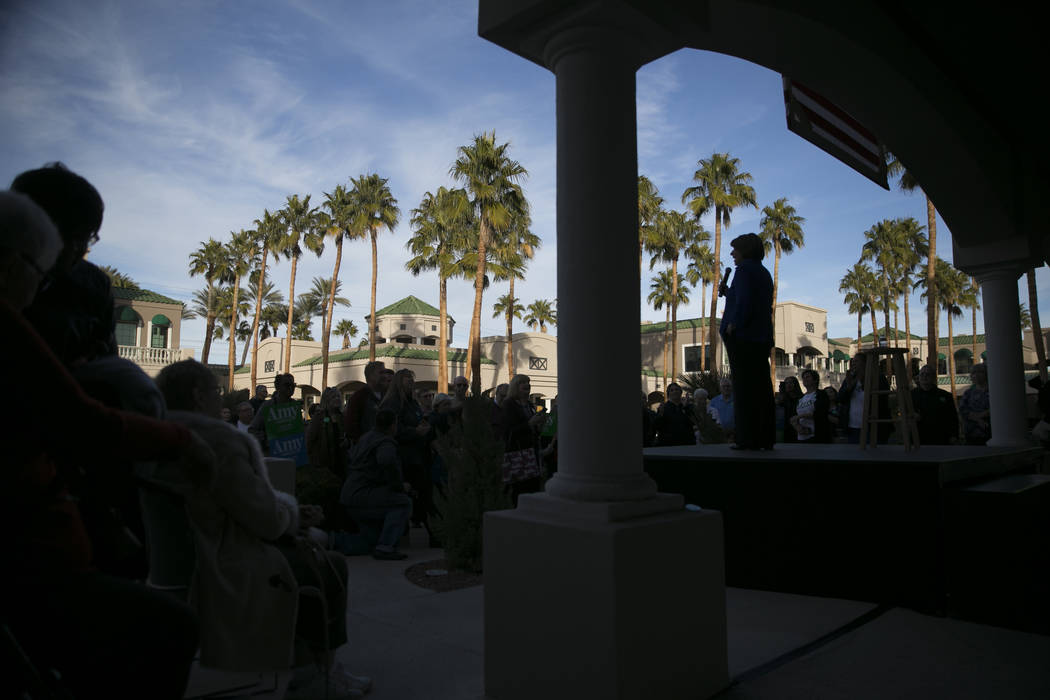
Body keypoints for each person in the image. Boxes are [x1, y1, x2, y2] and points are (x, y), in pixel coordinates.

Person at [1, 189, 210, 700]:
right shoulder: (11, 325)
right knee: (166, 627)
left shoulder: (48, 312)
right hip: (32, 558)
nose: (42, 281)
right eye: (39, 268)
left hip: (67, 525)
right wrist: (180, 441)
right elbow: (78, 418)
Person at [154, 360, 370, 699]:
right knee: (328, 566)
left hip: (179, 565)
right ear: (197, 396)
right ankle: (313, 676)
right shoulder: (217, 443)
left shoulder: (157, 440)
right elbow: (265, 519)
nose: (220, 400)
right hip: (226, 562)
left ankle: (317, 671)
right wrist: (294, 514)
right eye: (215, 392)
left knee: (312, 556)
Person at [719, 233, 776, 450]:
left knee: (743, 389)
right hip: (760, 337)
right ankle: (764, 437)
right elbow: (747, 298)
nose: (732, 253)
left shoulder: (743, 270)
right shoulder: (762, 272)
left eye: (736, 249)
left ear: (745, 250)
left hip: (743, 338)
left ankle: (747, 438)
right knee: (761, 387)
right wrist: (729, 293)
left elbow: (745, 303)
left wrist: (735, 324)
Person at [340, 409, 414, 560]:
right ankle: (386, 547)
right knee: (403, 503)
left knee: (369, 541)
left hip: (350, 495)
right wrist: (399, 486)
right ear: (393, 426)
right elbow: (386, 460)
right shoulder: (384, 442)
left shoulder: (367, 438)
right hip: (362, 494)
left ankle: (331, 541)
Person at [380, 369, 436, 543]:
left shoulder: (412, 403)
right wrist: (414, 432)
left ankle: (433, 533)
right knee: (411, 495)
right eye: (407, 380)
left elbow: (417, 421)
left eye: (412, 379)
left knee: (424, 494)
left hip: (418, 455)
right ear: (399, 382)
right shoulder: (392, 403)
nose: (411, 382)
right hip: (403, 457)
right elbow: (391, 429)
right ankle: (402, 535)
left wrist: (424, 429)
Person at [497, 373, 547, 504]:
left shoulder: (530, 405)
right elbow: (508, 431)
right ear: (515, 387)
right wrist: (530, 423)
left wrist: (539, 423)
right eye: (522, 383)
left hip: (532, 453)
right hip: (517, 455)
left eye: (528, 382)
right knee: (519, 491)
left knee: (533, 489)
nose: (527, 385)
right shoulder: (509, 405)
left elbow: (532, 429)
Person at [837, 353, 891, 444]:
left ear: (866, 363)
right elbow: (840, 399)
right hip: (853, 427)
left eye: (857, 361)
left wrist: (863, 381)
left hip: (873, 426)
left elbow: (882, 398)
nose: (853, 364)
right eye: (853, 361)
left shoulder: (878, 378)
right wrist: (849, 387)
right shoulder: (849, 379)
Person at [307, 387, 349, 479]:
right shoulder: (319, 417)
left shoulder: (342, 417)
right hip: (324, 464)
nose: (337, 399)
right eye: (333, 397)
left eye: (338, 396)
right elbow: (309, 440)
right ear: (327, 400)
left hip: (341, 461)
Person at [911, 364, 959, 445]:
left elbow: (952, 417)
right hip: (918, 437)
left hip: (940, 437)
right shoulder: (911, 395)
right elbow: (903, 413)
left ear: (933, 377)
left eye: (928, 374)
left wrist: (954, 435)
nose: (924, 377)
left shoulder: (945, 396)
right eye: (922, 374)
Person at [344, 360, 387, 444]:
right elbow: (351, 425)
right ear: (371, 376)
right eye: (381, 373)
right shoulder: (359, 397)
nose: (385, 376)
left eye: (385, 373)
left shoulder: (387, 395)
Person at [792, 369, 831, 443]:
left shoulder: (821, 394)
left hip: (817, 435)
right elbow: (794, 416)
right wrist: (798, 427)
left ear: (815, 380)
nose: (805, 379)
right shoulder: (800, 398)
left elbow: (820, 413)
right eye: (803, 377)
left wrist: (800, 416)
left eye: (808, 377)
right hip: (801, 436)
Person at [959, 363, 991, 445]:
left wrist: (983, 414)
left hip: (990, 433)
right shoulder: (968, 393)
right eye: (973, 373)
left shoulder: (994, 391)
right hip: (971, 434)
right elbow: (962, 410)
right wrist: (978, 419)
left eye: (979, 372)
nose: (976, 375)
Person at [780, 375, 804, 443]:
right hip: (785, 428)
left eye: (791, 382)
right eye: (786, 383)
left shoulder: (802, 398)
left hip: (798, 428)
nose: (788, 385)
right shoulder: (782, 399)